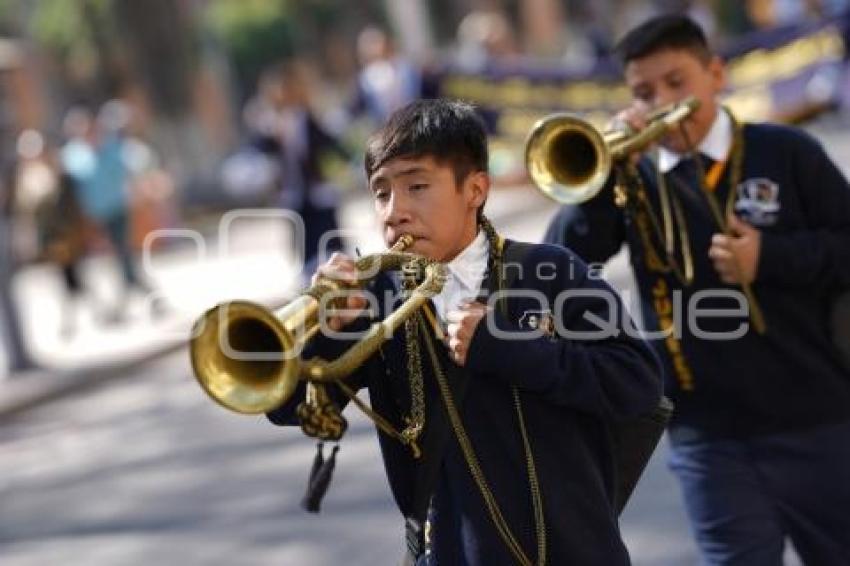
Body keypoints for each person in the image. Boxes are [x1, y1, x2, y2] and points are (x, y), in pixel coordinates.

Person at [267, 99, 662, 565]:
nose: (395, 212)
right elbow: (289, 409)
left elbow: (636, 383)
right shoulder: (372, 298)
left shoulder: (548, 270)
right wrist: (329, 333)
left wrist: (506, 346)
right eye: (381, 193)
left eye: (417, 186)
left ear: (475, 189)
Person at [543, 15, 850, 565]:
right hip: (705, 435)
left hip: (818, 420)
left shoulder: (784, 151)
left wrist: (771, 258)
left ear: (715, 74)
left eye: (676, 83)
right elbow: (564, 262)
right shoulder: (630, 178)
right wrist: (605, 182)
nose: (661, 102)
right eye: (643, 92)